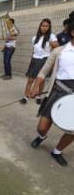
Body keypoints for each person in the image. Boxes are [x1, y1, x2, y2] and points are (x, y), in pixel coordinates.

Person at [30, 20, 74, 167]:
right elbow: (43, 71)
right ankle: (42, 136)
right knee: (41, 126)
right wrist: (37, 85)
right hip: (58, 90)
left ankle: (57, 151)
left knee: (73, 130)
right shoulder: (59, 51)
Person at [20, 18, 59, 105]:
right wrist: (31, 60)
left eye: (46, 26)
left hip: (45, 60)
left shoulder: (51, 36)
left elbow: (57, 45)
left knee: (42, 80)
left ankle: (38, 96)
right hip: (35, 59)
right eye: (43, 26)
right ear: (40, 26)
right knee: (30, 80)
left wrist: (50, 42)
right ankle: (26, 97)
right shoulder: (35, 38)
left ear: (49, 27)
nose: (44, 28)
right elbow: (34, 51)